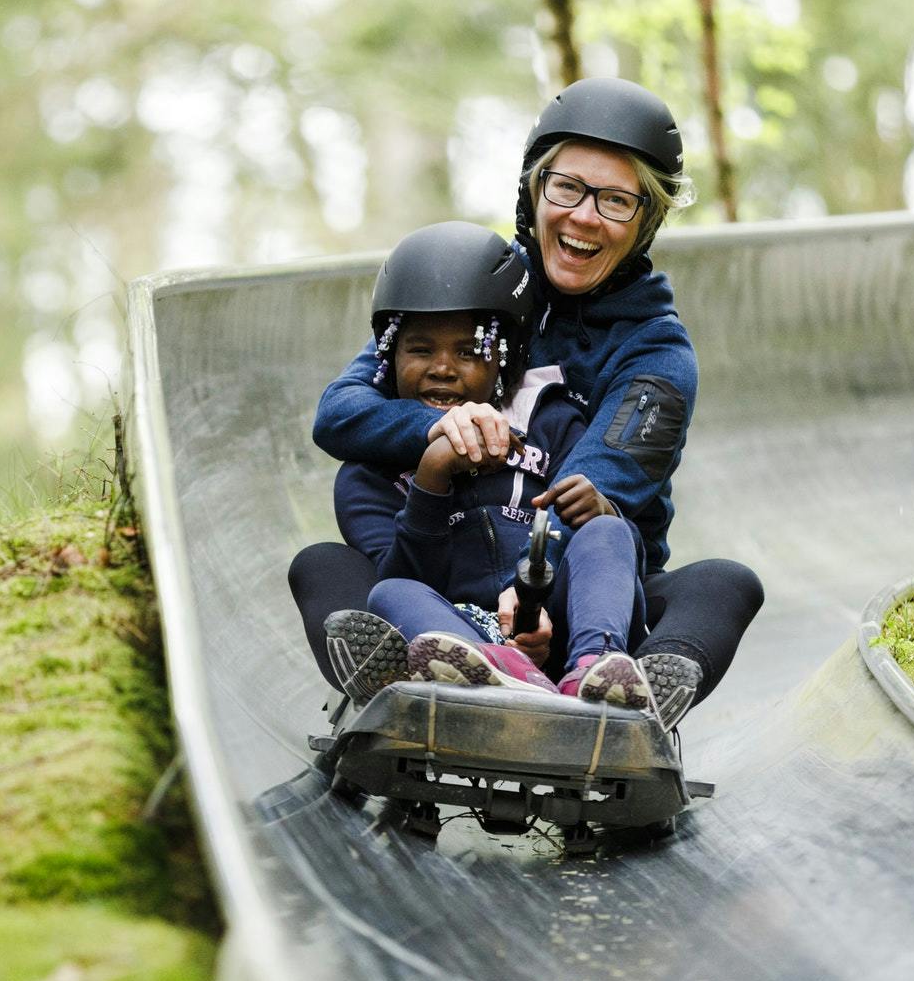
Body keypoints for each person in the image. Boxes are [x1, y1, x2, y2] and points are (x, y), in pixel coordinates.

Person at [291, 77, 763, 728]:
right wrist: (447, 426)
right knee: (323, 565)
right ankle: (407, 677)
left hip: (581, 595)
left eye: (617, 201)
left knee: (723, 582)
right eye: (567, 188)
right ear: (534, 191)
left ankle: (624, 694)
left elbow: (592, 487)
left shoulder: (658, 354)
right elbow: (340, 412)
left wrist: (528, 593)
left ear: (645, 220)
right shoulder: (476, 288)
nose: (585, 216)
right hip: (442, 580)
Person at [316, 221, 658, 707]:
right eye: (419, 350)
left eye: (470, 350)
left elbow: (604, 554)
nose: (442, 367)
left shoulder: (552, 424)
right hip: (456, 634)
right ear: (388, 358)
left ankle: (596, 671)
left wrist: (596, 517)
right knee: (390, 593)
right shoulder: (366, 476)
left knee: (609, 532)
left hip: (560, 621)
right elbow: (413, 576)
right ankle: (496, 676)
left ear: (505, 362)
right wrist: (432, 475)